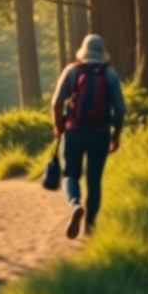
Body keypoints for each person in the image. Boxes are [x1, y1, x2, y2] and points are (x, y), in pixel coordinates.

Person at [49, 34, 126, 239]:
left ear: (83, 51)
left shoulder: (73, 70)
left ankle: (75, 204)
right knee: (94, 181)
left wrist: (59, 126)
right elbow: (120, 110)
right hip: (100, 134)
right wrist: (115, 136)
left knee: (71, 175)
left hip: (74, 131)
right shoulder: (110, 75)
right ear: (102, 53)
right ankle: (90, 226)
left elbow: (56, 103)